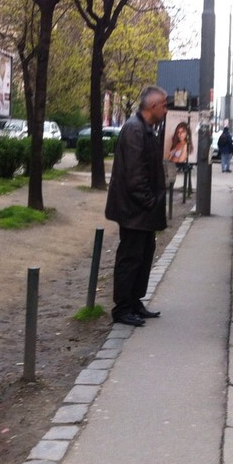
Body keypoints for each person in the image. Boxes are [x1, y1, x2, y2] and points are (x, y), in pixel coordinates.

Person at [105, 85, 169, 327]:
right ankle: (122, 308)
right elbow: (135, 176)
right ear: (152, 106)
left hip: (141, 212)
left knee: (143, 256)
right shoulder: (134, 129)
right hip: (134, 211)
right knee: (130, 258)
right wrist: (150, 202)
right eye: (163, 105)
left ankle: (134, 302)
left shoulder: (146, 129)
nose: (166, 109)